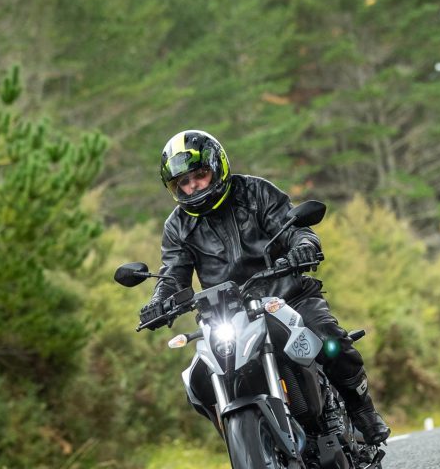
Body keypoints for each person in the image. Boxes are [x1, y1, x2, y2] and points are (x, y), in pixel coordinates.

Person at [139, 129, 390, 445]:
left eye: (199, 176)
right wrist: (159, 301)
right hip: (227, 315)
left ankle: (363, 411)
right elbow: (173, 275)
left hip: (287, 296)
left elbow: (293, 228)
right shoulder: (177, 225)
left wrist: (304, 245)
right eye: (182, 183)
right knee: (199, 381)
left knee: (329, 340)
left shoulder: (255, 192)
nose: (192, 187)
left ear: (218, 167)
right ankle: (244, 441)